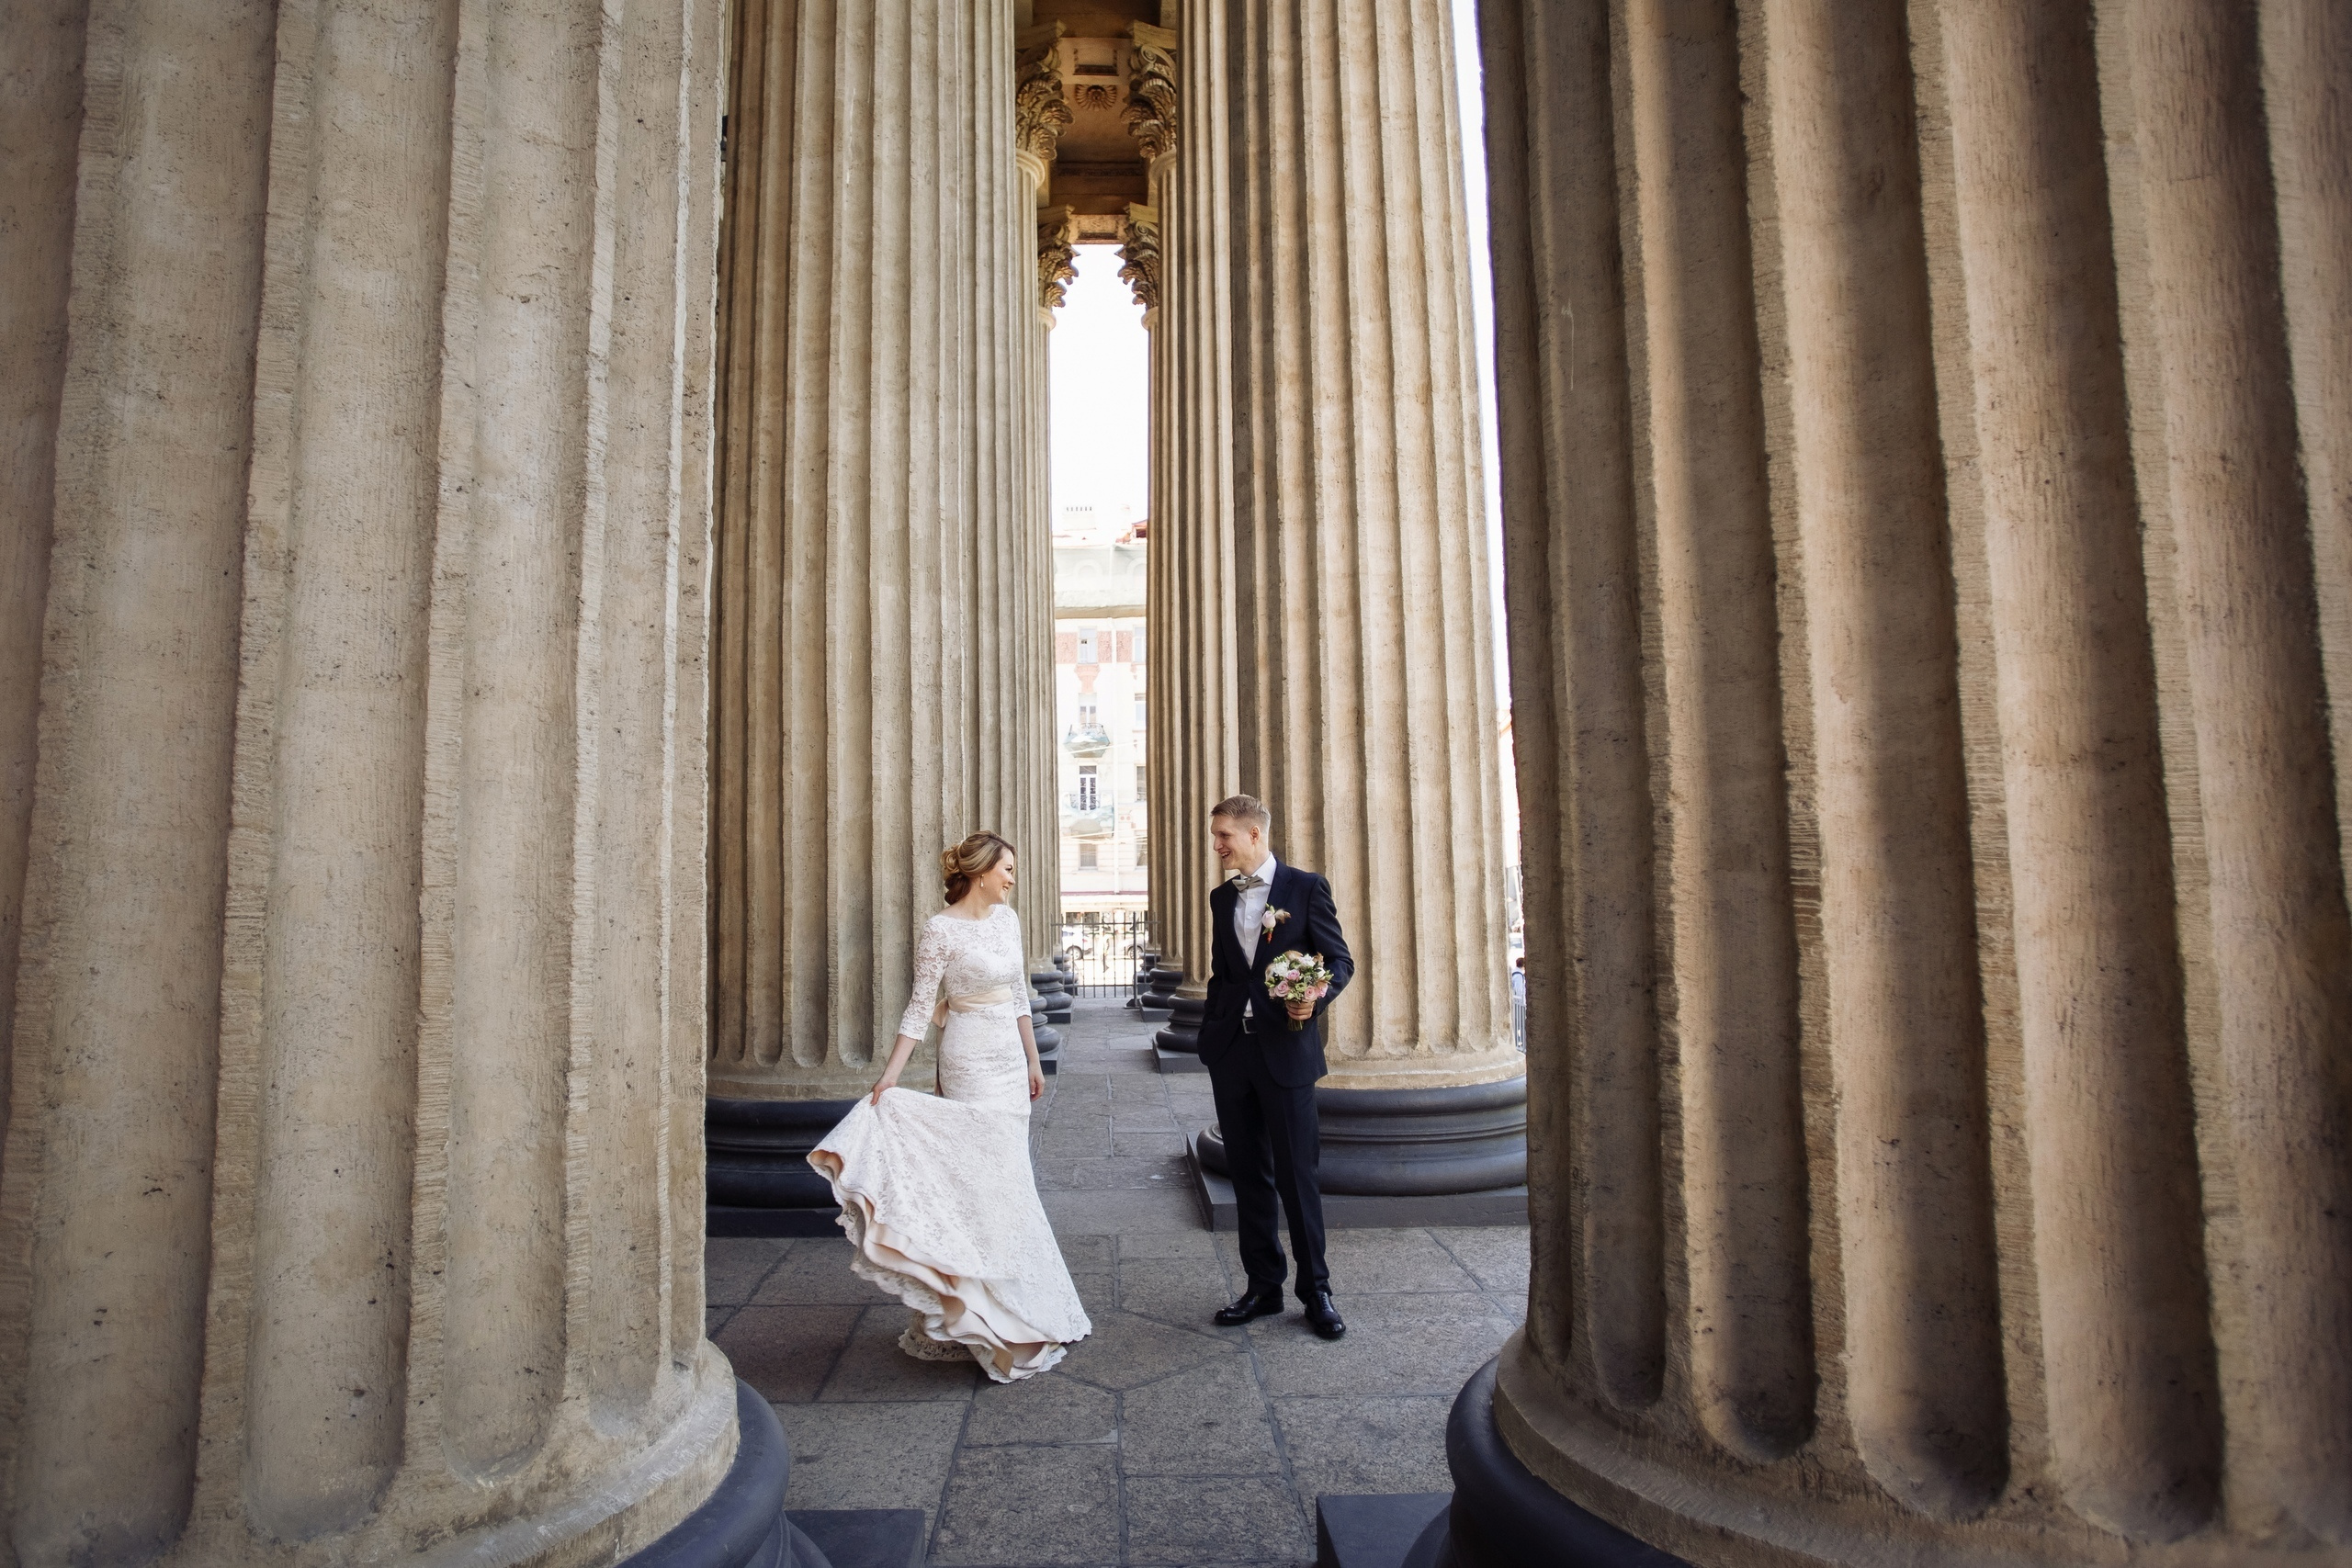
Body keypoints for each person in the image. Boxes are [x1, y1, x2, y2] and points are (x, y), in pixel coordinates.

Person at [808, 832, 1091, 1381]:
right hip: (966, 1056)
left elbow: (1016, 996)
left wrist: (1034, 1061)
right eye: (1007, 868)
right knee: (976, 1181)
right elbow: (919, 1008)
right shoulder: (939, 930)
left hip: (1009, 1061)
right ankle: (969, 1307)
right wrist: (889, 1078)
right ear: (981, 872)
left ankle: (1011, 1305)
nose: (1012, 877)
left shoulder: (1008, 922)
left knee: (1009, 1179)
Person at [1195, 795, 1355, 1340]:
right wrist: (1212, 1031)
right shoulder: (1222, 899)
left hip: (1286, 1051)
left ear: (1255, 835)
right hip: (1231, 1054)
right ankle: (1263, 1286)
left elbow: (1339, 960)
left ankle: (1317, 1291)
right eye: (1216, 836)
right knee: (1249, 1175)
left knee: (1297, 1175)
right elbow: (1226, 973)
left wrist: (1314, 996)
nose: (1216, 845)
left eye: (1224, 836)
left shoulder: (1306, 888)